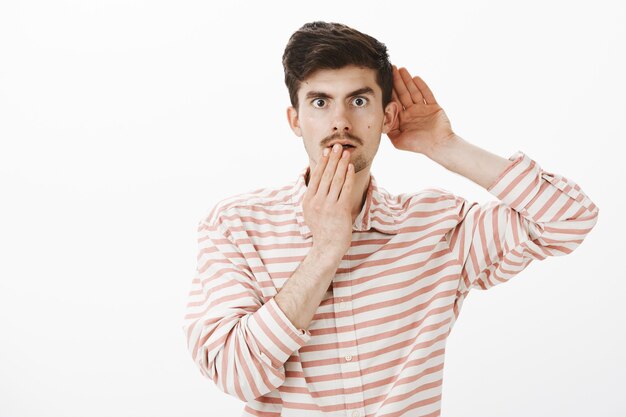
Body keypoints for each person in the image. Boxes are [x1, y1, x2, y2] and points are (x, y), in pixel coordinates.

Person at [181, 21, 599, 417]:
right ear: (296, 120)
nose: (341, 121)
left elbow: (569, 219)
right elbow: (234, 372)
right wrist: (326, 249)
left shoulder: (436, 227)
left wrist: (444, 145)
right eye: (320, 102)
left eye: (359, 100)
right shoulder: (235, 226)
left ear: (387, 117)